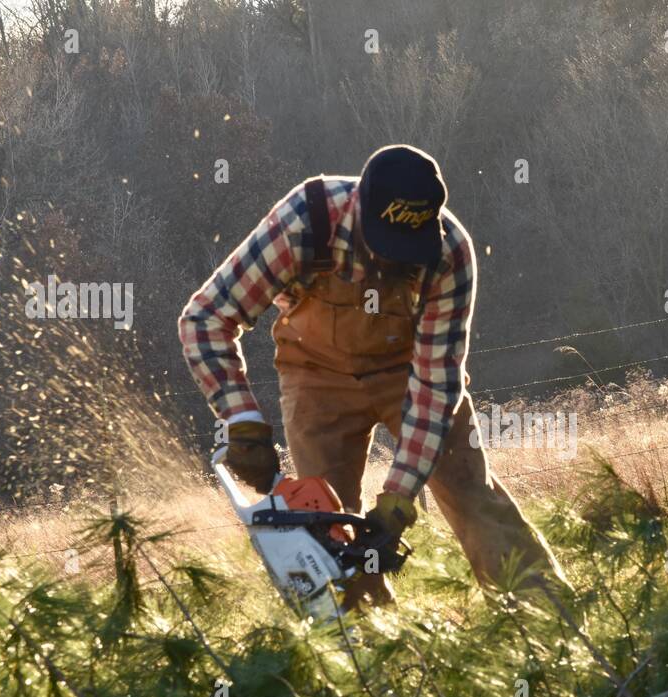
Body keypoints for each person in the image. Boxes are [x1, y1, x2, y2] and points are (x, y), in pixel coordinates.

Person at [178, 144, 569, 603]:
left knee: (471, 495)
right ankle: (370, 653)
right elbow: (205, 319)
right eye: (388, 248)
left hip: (409, 374)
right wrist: (241, 419)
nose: (396, 263)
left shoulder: (449, 254)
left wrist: (398, 497)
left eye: (409, 251)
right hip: (315, 375)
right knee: (325, 530)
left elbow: (435, 387)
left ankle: (550, 624)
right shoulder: (306, 221)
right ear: (360, 213)